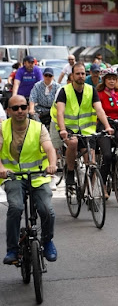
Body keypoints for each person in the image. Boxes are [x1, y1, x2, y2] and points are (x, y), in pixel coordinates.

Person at [1, 95, 58, 264]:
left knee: (47, 211)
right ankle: (12, 249)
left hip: (38, 176)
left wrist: (52, 165)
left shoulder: (38, 128)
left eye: (23, 107)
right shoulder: (2, 128)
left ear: (27, 108)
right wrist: (2, 169)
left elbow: (49, 148)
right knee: (15, 208)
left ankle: (47, 241)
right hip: (13, 176)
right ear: (8, 111)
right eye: (16, 108)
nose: (20, 111)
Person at [49, 63, 114, 186]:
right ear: (72, 75)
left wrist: (107, 126)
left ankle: (91, 194)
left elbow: (99, 110)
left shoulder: (91, 90)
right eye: (77, 73)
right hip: (68, 128)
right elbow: (60, 112)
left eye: (83, 73)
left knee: (91, 162)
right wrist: (62, 129)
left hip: (86, 130)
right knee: (73, 143)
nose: (80, 76)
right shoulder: (64, 91)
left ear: (86, 75)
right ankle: (70, 171)